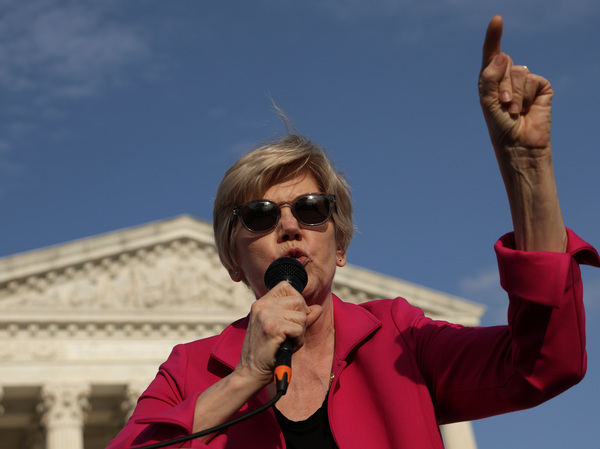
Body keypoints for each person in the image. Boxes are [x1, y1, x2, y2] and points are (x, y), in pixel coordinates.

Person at [107, 15, 599, 449]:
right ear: (233, 260)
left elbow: (542, 365)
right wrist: (244, 378)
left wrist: (528, 169)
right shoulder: (191, 371)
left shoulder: (400, 340)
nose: (289, 225)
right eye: (259, 215)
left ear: (339, 246)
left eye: (312, 208)